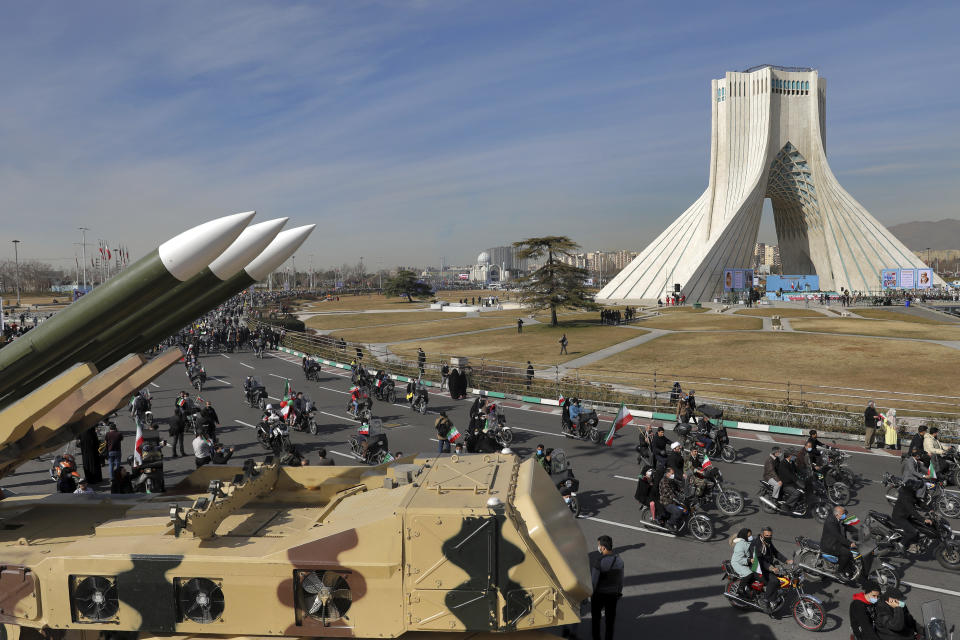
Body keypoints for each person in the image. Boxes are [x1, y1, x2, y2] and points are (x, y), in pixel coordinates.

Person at [749, 526, 789, 613]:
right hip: (759, 568)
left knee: (784, 576)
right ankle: (766, 600)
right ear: (762, 535)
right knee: (774, 581)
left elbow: (775, 552)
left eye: (770, 535)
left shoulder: (768, 542)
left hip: (767, 566)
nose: (769, 537)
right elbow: (760, 561)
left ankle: (775, 596)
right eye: (767, 536)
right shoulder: (757, 544)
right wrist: (771, 568)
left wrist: (786, 560)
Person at [590, 536, 623, 640]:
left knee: (596, 620)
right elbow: (620, 580)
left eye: (599, 545)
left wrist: (591, 594)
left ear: (603, 547)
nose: (598, 547)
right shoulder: (619, 561)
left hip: (599, 595)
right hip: (613, 595)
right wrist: (618, 592)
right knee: (610, 622)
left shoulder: (599, 561)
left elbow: (594, 582)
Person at [891, 479, 932, 553]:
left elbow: (918, 501)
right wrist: (923, 519)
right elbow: (912, 511)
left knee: (919, 527)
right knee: (913, 532)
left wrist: (929, 509)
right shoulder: (905, 497)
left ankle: (913, 543)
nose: (916, 489)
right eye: (915, 487)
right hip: (899, 518)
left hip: (906, 515)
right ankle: (900, 545)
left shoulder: (910, 492)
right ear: (910, 487)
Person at [821, 506, 857, 579]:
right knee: (846, 553)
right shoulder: (830, 522)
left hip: (838, 541)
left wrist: (861, 533)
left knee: (854, 552)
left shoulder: (840, 518)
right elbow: (838, 536)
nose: (845, 516)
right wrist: (850, 543)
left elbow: (849, 527)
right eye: (843, 514)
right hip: (830, 544)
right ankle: (839, 572)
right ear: (837, 515)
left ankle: (849, 568)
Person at [729, 527, 755, 595]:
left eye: (751, 535)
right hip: (738, 563)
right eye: (749, 536)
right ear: (744, 536)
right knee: (749, 573)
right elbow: (739, 559)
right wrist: (750, 560)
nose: (751, 537)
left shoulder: (749, 541)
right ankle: (740, 589)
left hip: (747, 561)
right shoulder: (740, 545)